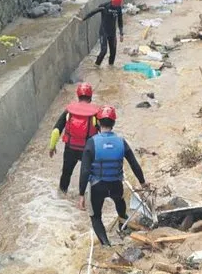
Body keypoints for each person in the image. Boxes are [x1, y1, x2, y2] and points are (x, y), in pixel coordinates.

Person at [77, 105, 149, 246]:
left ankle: (105, 244)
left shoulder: (91, 143)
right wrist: (142, 183)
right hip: (116, 185)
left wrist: (81, 195)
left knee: (96, 216)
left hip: (97, 187)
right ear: (114, 123)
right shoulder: (121, 142)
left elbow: (84, 171)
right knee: (120, 203)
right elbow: (134, 164)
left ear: (98, 122)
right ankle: (124, 228)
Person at [49, 82, 100, 194]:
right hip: (87, 150)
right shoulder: (95, 112)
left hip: (70, 149)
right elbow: (103, 132)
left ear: (78, 95)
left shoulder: (69, 110)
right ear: (90, 97)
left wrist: (52, 147)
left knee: (66, 174)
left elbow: (56, 131)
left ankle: (61, 198)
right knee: (91, 176)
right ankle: (88, 200)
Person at [79, 0, 125, 66]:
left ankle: (111, 67)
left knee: (113, 52)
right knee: (104, 51)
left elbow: (120, 20)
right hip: (104, 32)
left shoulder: (118, 8)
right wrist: (84, 18)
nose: (115, 5)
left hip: (112, 33)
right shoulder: (105, 6)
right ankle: (96, 65)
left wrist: (121, 33)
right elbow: (94, 11)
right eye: (114, 3)